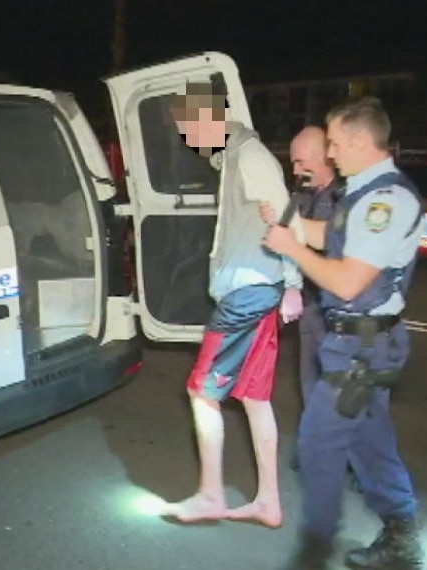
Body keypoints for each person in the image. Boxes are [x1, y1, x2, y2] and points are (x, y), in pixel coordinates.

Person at [261, 96, 427, 569]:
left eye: (333, 144)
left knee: (317, 445)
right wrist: (285, 221)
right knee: (368, 443)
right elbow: (329, 235)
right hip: (360, 342)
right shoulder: (362, 193)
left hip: (361, 347)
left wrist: (290, 248)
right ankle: (403, 535)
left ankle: (312, 554)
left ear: (358, 140)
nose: (329, 154)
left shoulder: (383, 201)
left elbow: (349, 280)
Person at [162, 81, 304, 529]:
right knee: (254, 397)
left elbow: (285, 213)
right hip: (256, 288)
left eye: (188, 127)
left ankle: (210, 495)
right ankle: (268, 503)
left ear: (210, 118)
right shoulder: (233, 157)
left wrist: (294, 282)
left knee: (202, 393)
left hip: (248, 291)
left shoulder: (250, 156)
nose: (186, 137)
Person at [285, 126, 344, 472]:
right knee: (310, 383)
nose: (294, 170)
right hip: (310, 306)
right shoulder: (301, 195)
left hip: (339, 310)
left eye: (299, 162)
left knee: (340, 390)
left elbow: (330, 244)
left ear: (323, 158)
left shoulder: (345, 197)